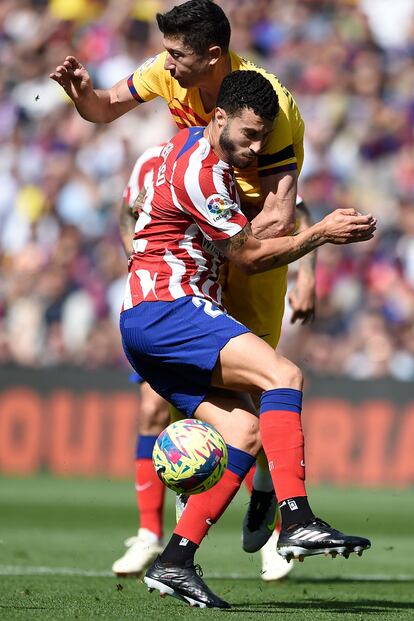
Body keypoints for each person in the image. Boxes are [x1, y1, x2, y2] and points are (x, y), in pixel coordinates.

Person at [50, 0, 315, 579]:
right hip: (200, 260)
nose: (165, 67)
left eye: (177, 56)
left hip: (248, 255)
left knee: (264, 389)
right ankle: (163, 535)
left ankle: (269, 508)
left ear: (213, 57)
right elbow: (102, 109)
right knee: (168, 400)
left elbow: (280, 215)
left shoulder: (270, 111)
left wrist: (235, 233)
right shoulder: (170, 89)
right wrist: (80, 93)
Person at [119, 69, 374, 609]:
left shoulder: (191, 144)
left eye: (264, 138)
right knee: (285, 375)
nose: (256, 149)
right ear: (218, 118)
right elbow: (252, 259)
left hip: (147, 318)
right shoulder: (203, 172)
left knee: (244, 432)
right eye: (249, 136)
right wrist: (319, 234)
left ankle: (175, 561)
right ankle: (297, 520)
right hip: (169, 306)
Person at [114, 143, 307, 580]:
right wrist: (146, 251)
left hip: (224, 303)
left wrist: (308, 277)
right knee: (156, 408)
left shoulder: (241, 160)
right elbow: (125, 212)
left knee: (253, 422)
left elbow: (298, 208)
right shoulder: (161, 159)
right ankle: (154, 535)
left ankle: (195, 553)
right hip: (173, 304)